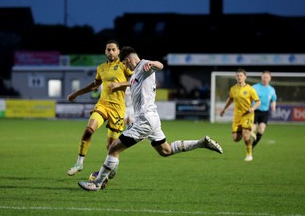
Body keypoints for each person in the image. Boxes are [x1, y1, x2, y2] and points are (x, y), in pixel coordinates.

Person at [78, 46, 223, 191]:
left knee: (113, 148)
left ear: (128, 59)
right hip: (150, 118)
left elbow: (160, 65)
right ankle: (201, 143)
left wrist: (153, 64)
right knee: (165, 150)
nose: (126, 66)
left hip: (145, 119)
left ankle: (96, 183)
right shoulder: (135, 73)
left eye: (125, 63)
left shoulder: (144, 66)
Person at [66, 40, 132, 176]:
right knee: (88, 131)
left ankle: (113, 167)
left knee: (111, 147)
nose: (111, 52)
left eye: (113, 49)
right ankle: (79, 163)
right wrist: (76, 94)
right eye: (108, 49)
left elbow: (135, 81)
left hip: (118, 110)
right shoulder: (101, 68)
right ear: (105, 51)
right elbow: (94, 86)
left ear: (118, 51)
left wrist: (119, 85)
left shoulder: (124, 66)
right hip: (102, 105)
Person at [219, 68, 260, 162]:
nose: (239, 77)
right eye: (237, 76)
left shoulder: (250, 89)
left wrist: (253, 108)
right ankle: (248, 132)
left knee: (245, 136)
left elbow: (258, 102)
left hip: (247, 115)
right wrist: (224, 109)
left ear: (245, 77)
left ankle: (249, 154)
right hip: (237, 116)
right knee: (235, 138)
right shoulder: (233, 89)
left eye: (241, 75)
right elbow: (230, 99)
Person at [251, 71, 277, 148]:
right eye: (263, 77)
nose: (265, 79)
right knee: (252, 128)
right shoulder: (255, 87)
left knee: (261, 129)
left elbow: (273, 100)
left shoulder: (271, 89)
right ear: (261, 77)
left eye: (266, 77)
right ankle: (248, 141)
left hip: (264, 112)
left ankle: (252, 147)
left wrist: (273, 106)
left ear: (270, 79)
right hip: (255, 110)